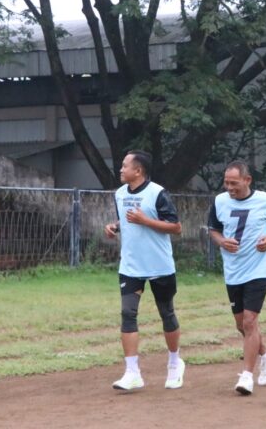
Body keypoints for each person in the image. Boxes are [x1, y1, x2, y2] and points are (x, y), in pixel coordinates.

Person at [104, 150, 185, 391]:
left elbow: (176, 227)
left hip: (159, 266)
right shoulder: (119, 194)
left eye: (124, 165)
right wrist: (114, 227)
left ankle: (174, 363)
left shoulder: (157, 193)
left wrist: (146, 221)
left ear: (137, 171)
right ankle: (132, 372)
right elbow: (126, 220)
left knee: (166, 313)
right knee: (128, 313)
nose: (120, 169)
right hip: (130, 266)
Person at [208, 160, 266, 395]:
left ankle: (247, 377)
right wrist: (221, 241)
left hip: (258, 269)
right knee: (241, 325)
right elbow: (213, 229)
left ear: (247, 180)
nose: (229, 187)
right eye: (226, 182)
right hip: (233, 270)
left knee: (250, 321)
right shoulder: (220, 201)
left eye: (234, 183)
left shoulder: (265, 199)